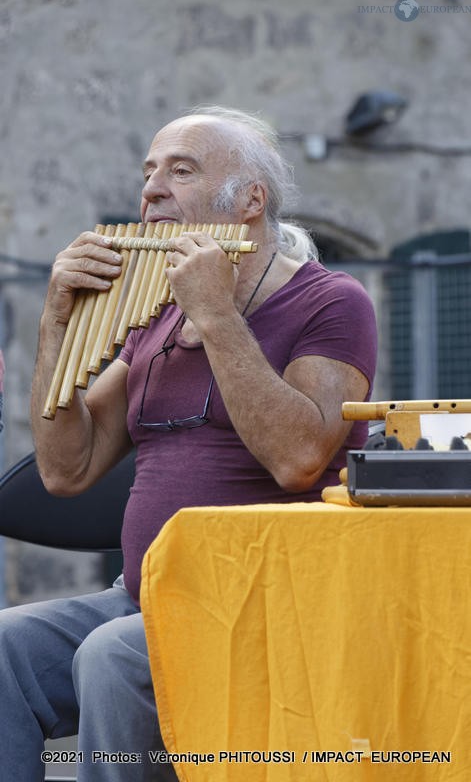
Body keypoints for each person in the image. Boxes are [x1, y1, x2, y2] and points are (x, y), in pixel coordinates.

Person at [0, 106, 377, 781]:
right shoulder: (152, 316)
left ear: (248, 202)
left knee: (111, 657)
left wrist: (216, 314)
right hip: (148, 594)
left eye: (180, 170)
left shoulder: (330, 301)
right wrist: (56, 326)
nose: (150, 191)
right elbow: (67, 469)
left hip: (265, 603)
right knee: (6, 646)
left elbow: (298, 459)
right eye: (148, 172)